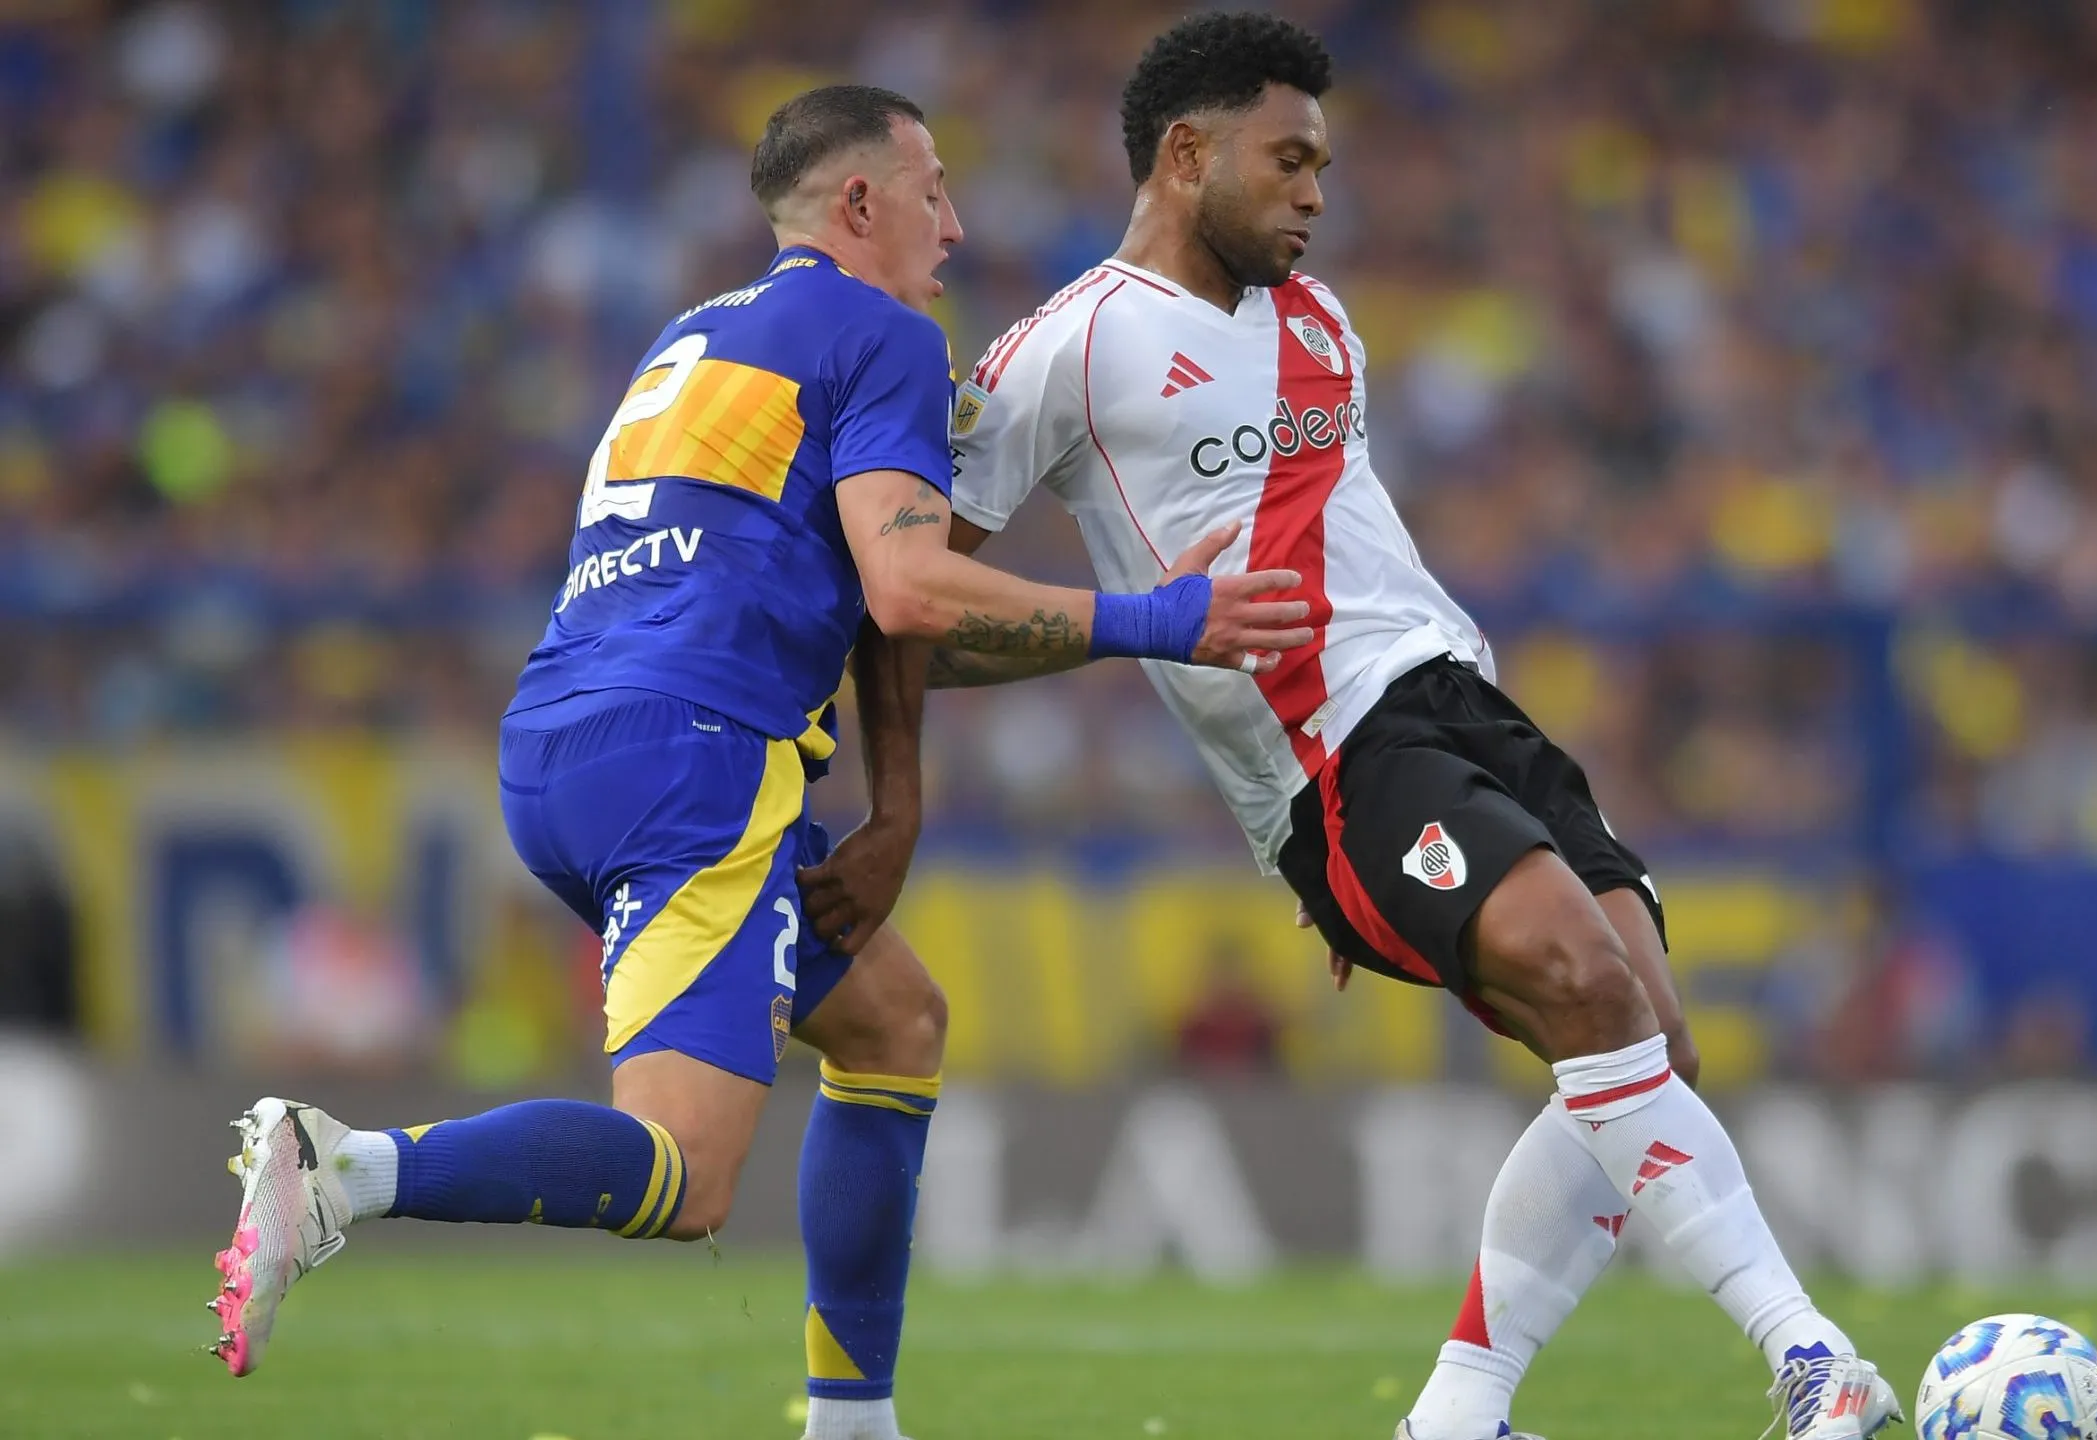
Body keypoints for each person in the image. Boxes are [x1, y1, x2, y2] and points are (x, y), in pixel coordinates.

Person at [208, 82, 1314, 1440]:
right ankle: (346, 1168)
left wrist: (899, 807)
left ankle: (854, 1422)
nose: (955, 228)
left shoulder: (692, 339)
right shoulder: (883, 333)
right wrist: (1162, 618)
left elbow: (856, 592)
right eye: (933, 191)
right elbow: (910, 587)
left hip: (565, 743)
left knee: (894, 1023)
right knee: (686, 1175)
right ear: (860, 204)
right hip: (695, 756)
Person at [920, 15, 1900, 1440]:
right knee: (1579, 974)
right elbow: (924, 615)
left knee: (1646, 1045)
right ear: (1185, 155)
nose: (1318, 191)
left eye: (1325, 162)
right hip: (1332, 757)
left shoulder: (1322, 324)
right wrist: (1135, 625)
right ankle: (1813, 1357)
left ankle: (1458, 1415)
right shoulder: (1058, 355)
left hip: (1467, 700)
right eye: (1290, 158)